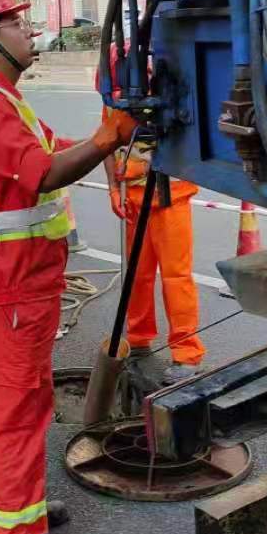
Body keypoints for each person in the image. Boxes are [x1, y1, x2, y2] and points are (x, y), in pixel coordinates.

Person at [0, 0, 135, 534]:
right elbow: (41, 173)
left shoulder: (7, 101)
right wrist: (108, 137)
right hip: (6, 291)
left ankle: (21, 509)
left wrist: (110, 131)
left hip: (24, 288)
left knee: (28, 406)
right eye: (16, 24)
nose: (29, 33)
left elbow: (57, 151)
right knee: (12, 416)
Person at [101, 45, 204, 387]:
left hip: (171, 200)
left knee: (176, 278)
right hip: (133, 200)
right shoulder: (115, 102)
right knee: (138, 277)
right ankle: (140, 339)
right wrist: (113, 188)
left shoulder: (169, 98)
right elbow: (106, 144)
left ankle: (186, 355)